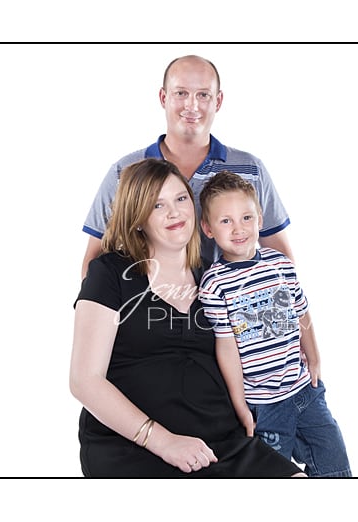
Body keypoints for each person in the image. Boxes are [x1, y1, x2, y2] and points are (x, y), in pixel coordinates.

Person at [69, 158, 305, 477]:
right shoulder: (109, 273)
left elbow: (262, 348)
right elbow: (84, 381)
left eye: (181, 199)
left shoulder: (216, 280)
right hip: (132, 447)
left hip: (222, 443)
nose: (175, 212)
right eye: (157, 205)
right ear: (137, 217)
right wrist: (163, 441)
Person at [81, 54, 295, 279]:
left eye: (203, 94)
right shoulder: (124, 171)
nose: (191, 105)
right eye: (181, 93)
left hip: (231, 299)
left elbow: (280, 258)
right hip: (148, 299)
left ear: (218, 101)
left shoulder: (250, 169)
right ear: (163, 97)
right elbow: (94, 262)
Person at [198, 170, 352, 477]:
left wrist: (315, 358)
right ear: (208, 228)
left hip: (304, 392)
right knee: (274, 475)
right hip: (262, 404)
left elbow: (301, 312)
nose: (238, 228)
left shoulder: (280, 264)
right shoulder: (214, 284)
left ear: (260, 218)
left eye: (246, 217)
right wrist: (240, 405)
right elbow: (226, 347)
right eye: (226, 221)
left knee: (335, 465)